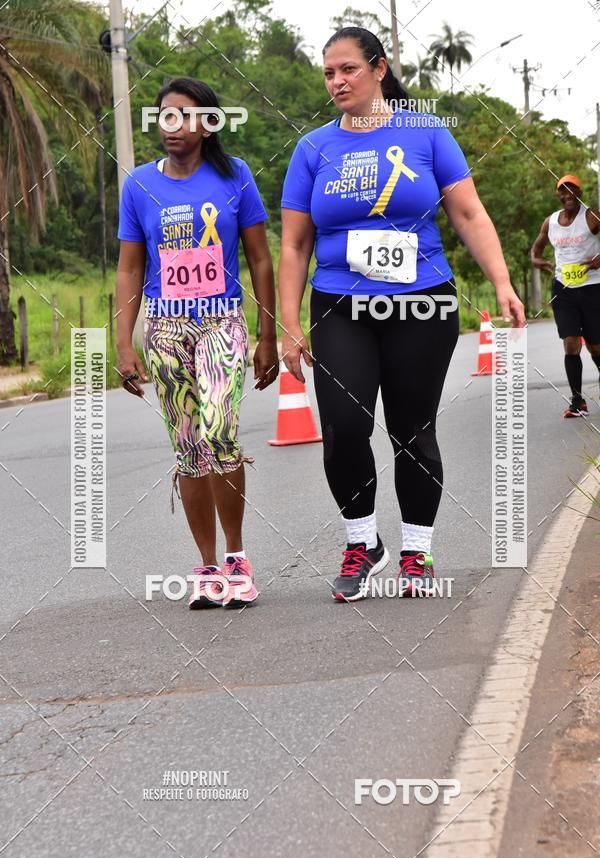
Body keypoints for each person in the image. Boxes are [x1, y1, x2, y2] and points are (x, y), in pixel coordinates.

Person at [279, 27, 525, 602]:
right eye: (329, 73)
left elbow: (468, 213)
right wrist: (288, 323)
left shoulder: (426, 132)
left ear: (379, 69)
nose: (337, 82)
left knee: (412, 431)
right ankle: (362, 543)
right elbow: (294, 244)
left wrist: (503, 282)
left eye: (348, 70)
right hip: (341, 303)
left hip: (422, 301)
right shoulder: (312, 149)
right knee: (343, 426)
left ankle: (417, 551)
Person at [116, 77, 278, 609]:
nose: (172, 127)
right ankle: (207, 567)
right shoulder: (140, 186)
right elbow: (130, 267)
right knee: (188, 447)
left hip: (220, 323)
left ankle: (236, 558)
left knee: (221, 432)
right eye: (164, 117)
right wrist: (124, 342)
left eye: (184, 117)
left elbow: (259, 257)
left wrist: (267, 334)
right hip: (165, 329)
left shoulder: (235, 179)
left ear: (208, 124)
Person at [531, 173, 600, 418]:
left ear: (579, 193)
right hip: (563, 288)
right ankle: (577, 401)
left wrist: (597, 261)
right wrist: (536, 260)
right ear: (558, 194)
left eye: (572, 189)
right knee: (571, 344)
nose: (568, 194)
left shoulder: (591, 216)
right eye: (563, 190)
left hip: (593, 287)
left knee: (595, 346)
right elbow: (537, 247)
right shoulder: (550, 222)